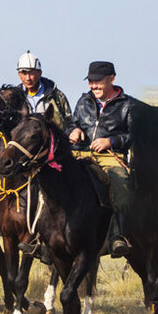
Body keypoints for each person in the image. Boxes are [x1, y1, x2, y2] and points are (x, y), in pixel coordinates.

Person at [69, 60, 137, 257]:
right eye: (90, 81)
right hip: (79, 153)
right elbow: (71, 123)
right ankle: (42, 237)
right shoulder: (84, 101)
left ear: (112, 79)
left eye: (98, 81)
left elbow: (133, 135)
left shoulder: (127, 104)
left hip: (109, 157)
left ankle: (118, 236)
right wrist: (73, 130)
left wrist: (111, 141)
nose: (93, 86)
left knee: (121, 183)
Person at [16, 51, 73, 132]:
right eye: (24, 73)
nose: (28, 78)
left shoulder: (56, 95)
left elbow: (69, 121)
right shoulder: (16, 98)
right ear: (19, 74)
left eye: (31, 73)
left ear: (40, 73)